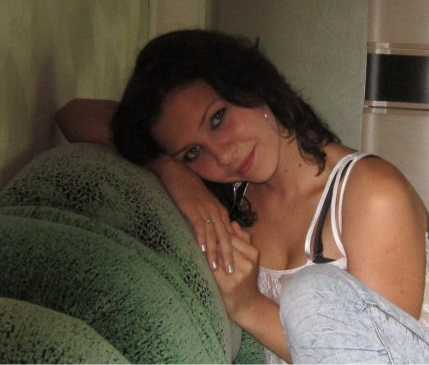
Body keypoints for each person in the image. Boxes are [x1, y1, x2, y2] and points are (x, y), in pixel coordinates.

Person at [56, 29, 429, 363]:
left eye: (218, 118)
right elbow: (73, 115)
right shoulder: (229, 194)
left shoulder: (372, 195)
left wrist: (247, 306)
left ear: (251, 84)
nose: (223, 155)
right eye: (193, 152)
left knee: (311, 292)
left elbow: (370, 357)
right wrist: (170, 169)